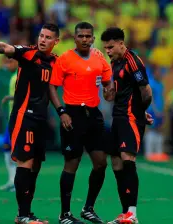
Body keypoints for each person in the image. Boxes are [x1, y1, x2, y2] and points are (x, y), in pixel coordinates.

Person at [0, 23, 60, 224]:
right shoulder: (28, 54)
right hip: (24, 117)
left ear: (56, 41)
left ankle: (27, 213)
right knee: (25, 163)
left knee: (35, 166)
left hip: (41, 119)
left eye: (48, 37)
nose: (43, 40)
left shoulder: (56, 62)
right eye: (41, 36)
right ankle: (23, 214)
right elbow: (5, 48)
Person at [49, 22, 113, 224]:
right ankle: (65, 214)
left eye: (88, 36)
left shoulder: (100, 58)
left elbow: (107, 81)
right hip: (72, 115)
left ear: (93, 39)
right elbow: (52, 87)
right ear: (74, 38)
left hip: (94, 115)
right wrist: (62, 112)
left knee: (101, 163)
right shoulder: (65, 59)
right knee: (72, 164)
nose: (85, 39)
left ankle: (88, 208)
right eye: (81, 36)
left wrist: (109, 89)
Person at [101, 27, 152, 224]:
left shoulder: (133, 61)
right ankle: (124, 213)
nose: (108, 51)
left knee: (127, 158)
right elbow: (113, 95)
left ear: (121, 43)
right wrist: (107, 92)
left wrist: (140, 112)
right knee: (116, 163)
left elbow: (146, 91)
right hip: (118, 117)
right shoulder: (114, 63)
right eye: (106, 48)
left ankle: (133, 213)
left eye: (111, 47)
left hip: (130, 118)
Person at [0, 57, 18, 192]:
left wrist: (9, 97)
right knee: (7, 146)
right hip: (13, 117)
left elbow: (26, 95)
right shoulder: (13, 76)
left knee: (16, 150)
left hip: (20, 117)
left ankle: (18, 183)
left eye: (10, 61)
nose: (7, 64)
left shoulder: (21, 76)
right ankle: (12, 180)